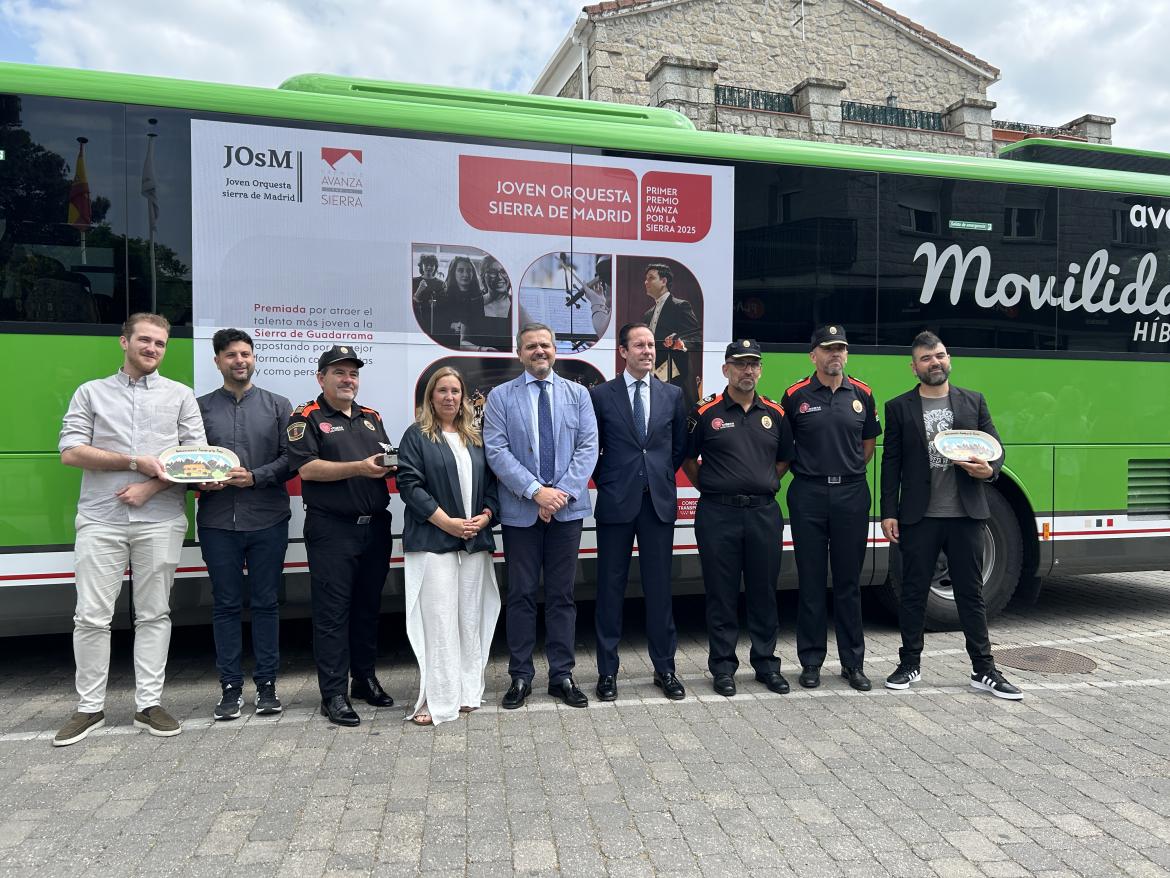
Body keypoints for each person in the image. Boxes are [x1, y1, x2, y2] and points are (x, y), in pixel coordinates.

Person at [53, 313, 206, 747]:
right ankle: (89, 709)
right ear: (124, 342)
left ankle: (149, 705)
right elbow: (70, 451)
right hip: (101, 519)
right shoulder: (92, 393)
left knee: (155, 613)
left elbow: (194, 457)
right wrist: (133, 462)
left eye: (160, 343)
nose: (152, 349)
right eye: (144, 340)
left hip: (159, 519)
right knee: (91, 617)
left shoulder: (180, 396)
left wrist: (150, 487)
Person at [880, 331, 1023, 700]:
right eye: (926, 358)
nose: (935, 362)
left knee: (971, 595)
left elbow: (995, 449)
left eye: (940, 355)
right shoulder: (899, 407)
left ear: (949, 359)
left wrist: (989, 471)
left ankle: (984, 669)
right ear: (914, 367)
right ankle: (909, 663)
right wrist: (888, 512)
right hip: (919, 516)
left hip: (966, 514)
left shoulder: (972, 402)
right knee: (912, 593)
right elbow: (890, 463)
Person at [483, 323, 599, 709]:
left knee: (563, 596)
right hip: (522, 512)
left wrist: (559, 495)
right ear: (519, 354)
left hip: (566, 512)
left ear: (555, 350)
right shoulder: (500, 397)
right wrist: (537, 492)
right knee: (520, 595)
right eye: (531, 346)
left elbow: (588, 448)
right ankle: (520, 676)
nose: (539, 351)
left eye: (545, 345)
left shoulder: (578, 395)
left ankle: (562, 675)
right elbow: (496, 450)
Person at [286, 345, 396, 727]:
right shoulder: (306, 417)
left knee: (368, 609)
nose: (348, 380)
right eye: (339, 373)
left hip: (375, 528)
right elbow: (308, 469)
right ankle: (333, 693)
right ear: (321, 378)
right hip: (332, 530)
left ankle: (364, 680)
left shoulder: (371, 417)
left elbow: (385, 460)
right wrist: (360, 469)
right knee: (333, 615)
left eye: (353, 374)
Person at [682, 339, 794, 697]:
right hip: (718, 514)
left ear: (760, 370)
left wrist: (761, 485)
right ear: (725, 369)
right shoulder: (705, 413)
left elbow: (784, 460)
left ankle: (766, 665)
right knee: (721, 593)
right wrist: (718, 489)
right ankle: (724, 668)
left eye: (753, 365)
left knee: (764, 592)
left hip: (763, 513)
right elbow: (688, 463)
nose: (748, 371)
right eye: (740, 364)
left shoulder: (775, 413)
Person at [196, 328, 292, 721]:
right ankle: (230, 689)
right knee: (226, 605)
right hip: (218, 522)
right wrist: (199, 479)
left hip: (268, 518)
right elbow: (185, 459)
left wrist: (256, 476)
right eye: (232, 355)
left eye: (246, 354)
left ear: (255, 359)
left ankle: (267, 686)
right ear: (217, 361)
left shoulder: (277, 405)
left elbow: (292, 459)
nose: (240, 361)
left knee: (267, 603)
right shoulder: (199, 408)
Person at [397, 367, 501, 726]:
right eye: (442, 390)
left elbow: (492, 485)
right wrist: (448, 523)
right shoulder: (417, 436)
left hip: (473, 541)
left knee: (469, 620)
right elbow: (410, 485)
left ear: (463, 397)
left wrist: (486, 517)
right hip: (434, 542)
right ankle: (437, 700)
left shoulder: (475, 437)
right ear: (430, 396)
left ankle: (468, 693)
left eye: (455, 391)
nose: (449, 397)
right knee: (439, 622)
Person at [590, 323, 687, 701]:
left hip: (657, 504)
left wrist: (657, 475)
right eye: (639, 345)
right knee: (610, 589)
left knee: (660, 589)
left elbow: (676, 448)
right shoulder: (601, 396)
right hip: (616, 503)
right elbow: (591, 449)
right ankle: (607, 672)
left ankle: (665, 668)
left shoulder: (673, 395)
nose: (648, 351)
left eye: (650, 345)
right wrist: (611, 479)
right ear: (623, 352)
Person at [781, 325, 881, 692]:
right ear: (814, 356)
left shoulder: (863, 394)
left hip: (851, 495)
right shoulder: (794, 395)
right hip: (807, 494)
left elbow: (868, 444)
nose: (835, 354)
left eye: (840, 348)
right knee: (809, 581)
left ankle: (853, 663)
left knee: (848, 583)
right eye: (828, 349)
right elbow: (785, 448)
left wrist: (847, 472)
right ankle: (810, 662)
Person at [640, 263, 701, 408]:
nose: (646, 282)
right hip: (653, 376)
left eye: (651, 278)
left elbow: (697, 337)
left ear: (664, 281)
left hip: (677, 376)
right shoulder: (648, 314)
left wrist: (681, 343)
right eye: (645, 279)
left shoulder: (680, 306)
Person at [412, 254, 447, 336]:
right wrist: (419, 289)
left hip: (435, 321)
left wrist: (437, 303)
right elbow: (411, 303)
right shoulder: (414, 281)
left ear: (435, 267)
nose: (429, 267)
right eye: (426, 265)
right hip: (418, 319)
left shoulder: (440, 283)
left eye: (432, 265)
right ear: (421, 266)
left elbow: (444, 304)